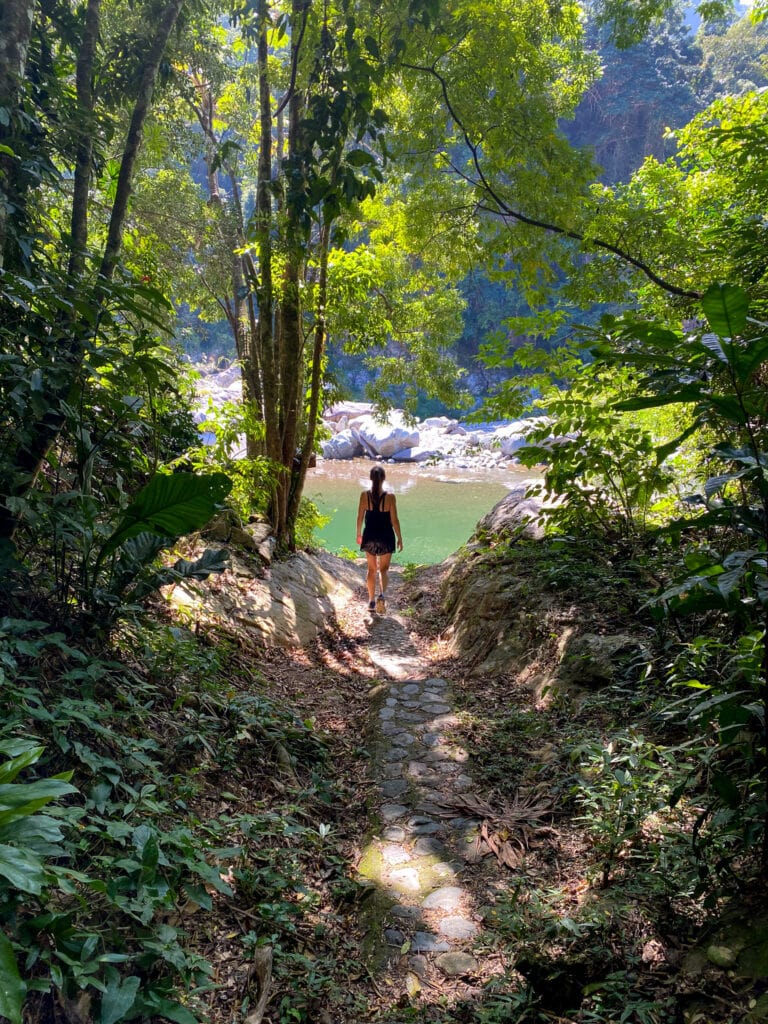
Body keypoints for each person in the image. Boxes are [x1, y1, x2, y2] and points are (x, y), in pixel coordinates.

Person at [356, 465, 403, 614]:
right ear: (383, 478)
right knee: (383, 570)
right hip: (386, 536)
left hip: (369, 535)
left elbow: (360, 517)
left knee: (371, 569)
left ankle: (370, 601)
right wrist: (400, 538)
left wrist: (358, 534)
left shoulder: (364, 495)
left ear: (370, 478)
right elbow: (394, 520)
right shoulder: (390, 497)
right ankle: (381, 595)